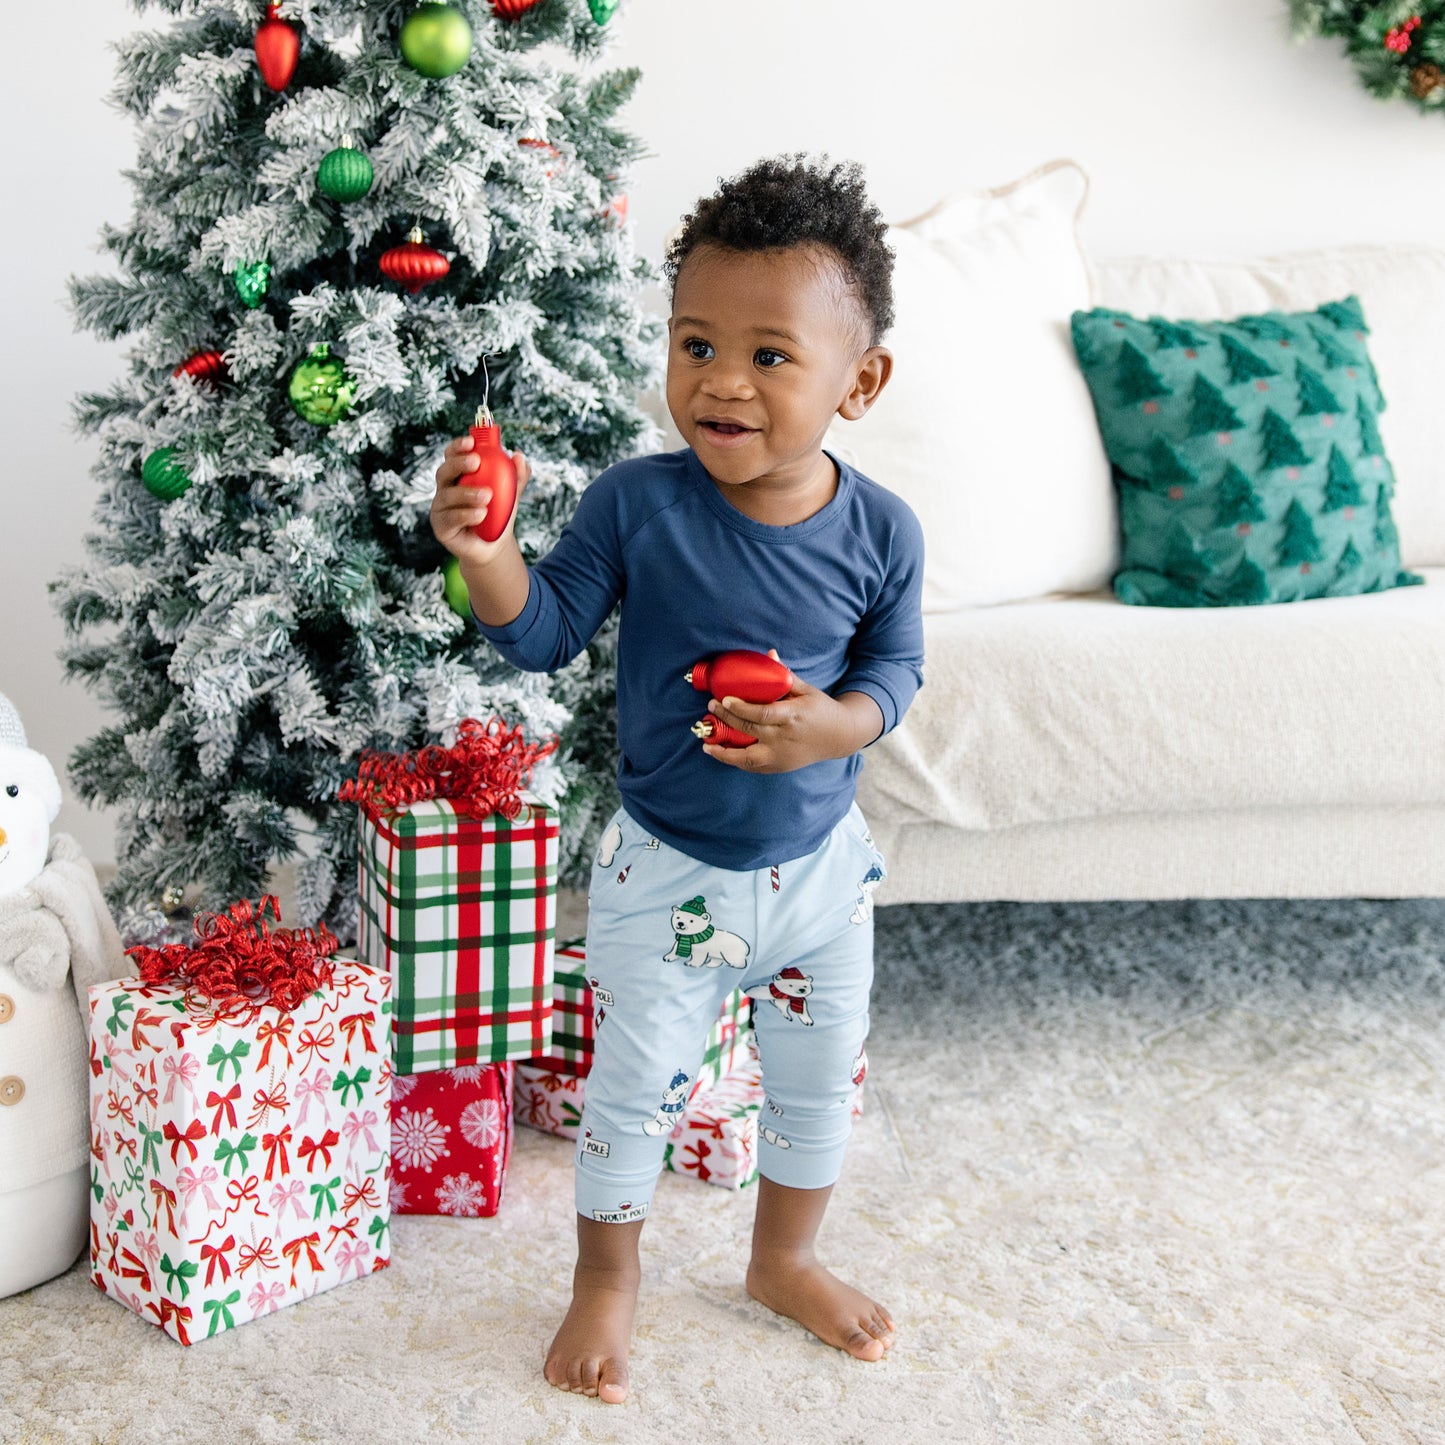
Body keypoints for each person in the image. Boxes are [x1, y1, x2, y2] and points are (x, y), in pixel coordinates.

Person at [431, 155, 925, 1404]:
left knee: (817, 1086)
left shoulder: (882, 531)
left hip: (817, 878)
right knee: (628, 1093)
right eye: (695, 342)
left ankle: (782, 1258)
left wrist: (834, 726)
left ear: (858, 383)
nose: (720, 378)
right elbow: (540, 631)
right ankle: (606, 1275)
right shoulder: (635, 504)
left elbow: (894, 669)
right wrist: (487, 551)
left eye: (769, 354)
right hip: (667, 875)